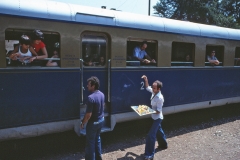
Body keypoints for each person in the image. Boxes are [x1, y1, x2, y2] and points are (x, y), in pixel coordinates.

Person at [141, 75, 168, 160]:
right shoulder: (154, 92)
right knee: (159, 131)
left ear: (159, 89)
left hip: (157, 118)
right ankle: (164, 145)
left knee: (151, 135)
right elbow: (146, 87)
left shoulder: (160, 98)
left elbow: (159, 111)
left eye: (154, 88)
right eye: (152, 87)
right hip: (154, 116)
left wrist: (148, 111)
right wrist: (146, 80)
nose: (152, 88)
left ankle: (149, 154)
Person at [81, 76, 105, 160]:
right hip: (101, 120)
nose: (87, 86)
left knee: (90, 143)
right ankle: (99, 158)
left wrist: (83, 123)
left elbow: (88, 115)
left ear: (93, 86)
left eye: (88, 84)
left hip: (93, 123)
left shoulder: (90, 98)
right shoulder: (102, 94)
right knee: (97, 139)